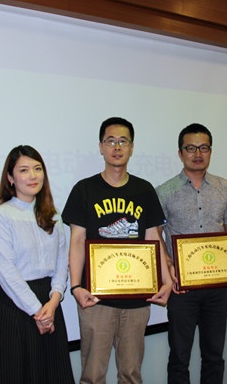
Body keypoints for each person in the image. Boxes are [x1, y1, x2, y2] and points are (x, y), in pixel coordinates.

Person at [62, 117, 172, 384]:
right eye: (110, 141)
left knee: (131, 374)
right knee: (92, 375)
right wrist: (75, 286)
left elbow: (153, 238)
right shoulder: (84, 189)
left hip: (136, 297)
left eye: (123, 141)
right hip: (96, 298)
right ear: (101, 147)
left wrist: (167, 280)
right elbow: (77, 241)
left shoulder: (144, 190)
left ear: (132, 147)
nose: (117, 147)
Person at [155, 123, 227, 384]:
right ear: (180, 153)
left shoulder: (224, 187)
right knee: (179, 357)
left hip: (217, 287)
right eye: (191, 148)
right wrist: (168, 264)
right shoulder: (165, 191)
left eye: (203, 148)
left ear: (210, 151)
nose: (197, 154)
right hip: (182, 289)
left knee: (214, 356)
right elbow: (155, 234)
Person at [0, 145, 74, 384]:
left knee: (53, 374)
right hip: (15, 306)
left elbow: (62, 263)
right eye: (24, 170)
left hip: (49, 303)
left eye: (37, 168)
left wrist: (53, 302)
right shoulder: (2, 215)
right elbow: (6, 271)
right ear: (10, 177)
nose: (33, 176)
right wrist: (38, 312)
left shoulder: (53, 215)